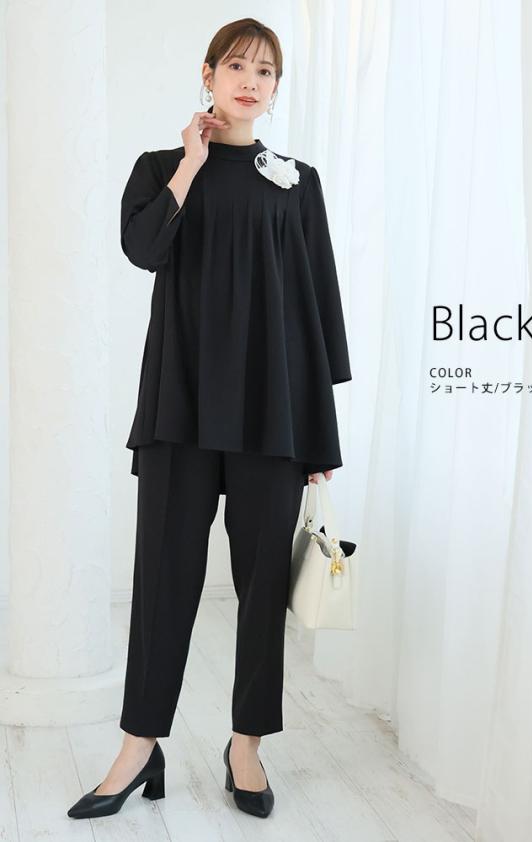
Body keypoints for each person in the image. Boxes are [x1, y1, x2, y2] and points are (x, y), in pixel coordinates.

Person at [67, 17, 351, 822]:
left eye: (266, 70)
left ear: (276, 87)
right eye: (237, 65)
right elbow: (144, 249)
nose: (251, 81)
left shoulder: (298, 181)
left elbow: (317, 305)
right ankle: (139, 746)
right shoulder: (162, 169)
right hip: (180, 407)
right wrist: (192, 162)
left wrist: (318, 431)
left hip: (273, 413)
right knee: (163, 580)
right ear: (208, 74)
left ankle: (246, 746)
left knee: (262, 588)